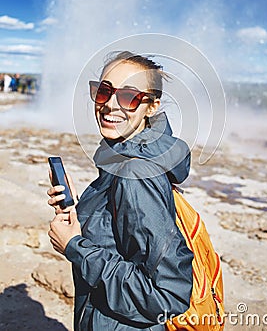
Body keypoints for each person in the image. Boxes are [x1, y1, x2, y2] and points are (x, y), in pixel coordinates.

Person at [47, 51, 193, 331]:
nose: (110, 105)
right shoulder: (125, 160)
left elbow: (166, 294)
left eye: (128, 96)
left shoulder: (135, 172)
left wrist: (75, 247)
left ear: (151, 106)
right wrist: (80, 212)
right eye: (103, 91)